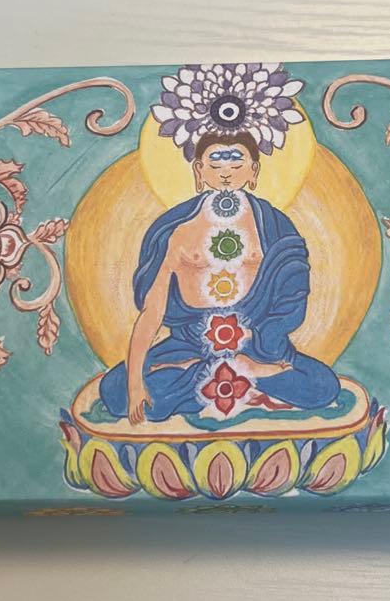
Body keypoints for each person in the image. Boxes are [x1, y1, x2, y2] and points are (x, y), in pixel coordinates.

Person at [99, 131, 341, 425]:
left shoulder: (275, 225)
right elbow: (153, 311)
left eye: (237, 165)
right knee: (116, 391)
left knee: (322, 385)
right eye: (215, 165)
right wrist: (135, 382)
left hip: (258, 345)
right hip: (191, 343)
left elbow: (292, 299)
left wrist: (260, 341)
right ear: (199, 170)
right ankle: (235, 374)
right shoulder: (176, 229)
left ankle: (217, 373)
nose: (226, 173)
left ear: (254, 170)